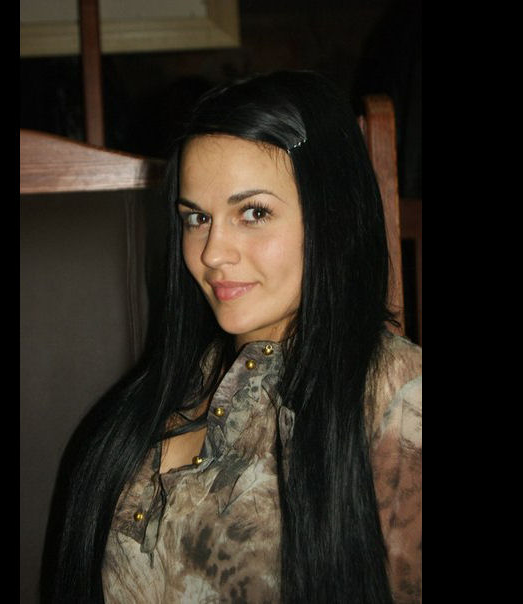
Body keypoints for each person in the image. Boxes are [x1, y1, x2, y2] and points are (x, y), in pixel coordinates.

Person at [44, 70, 422, 604]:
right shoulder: (167, 390)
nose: (212, 252)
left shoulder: (399, 398)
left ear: (331, 216)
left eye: (253, 212)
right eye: (197, 217)